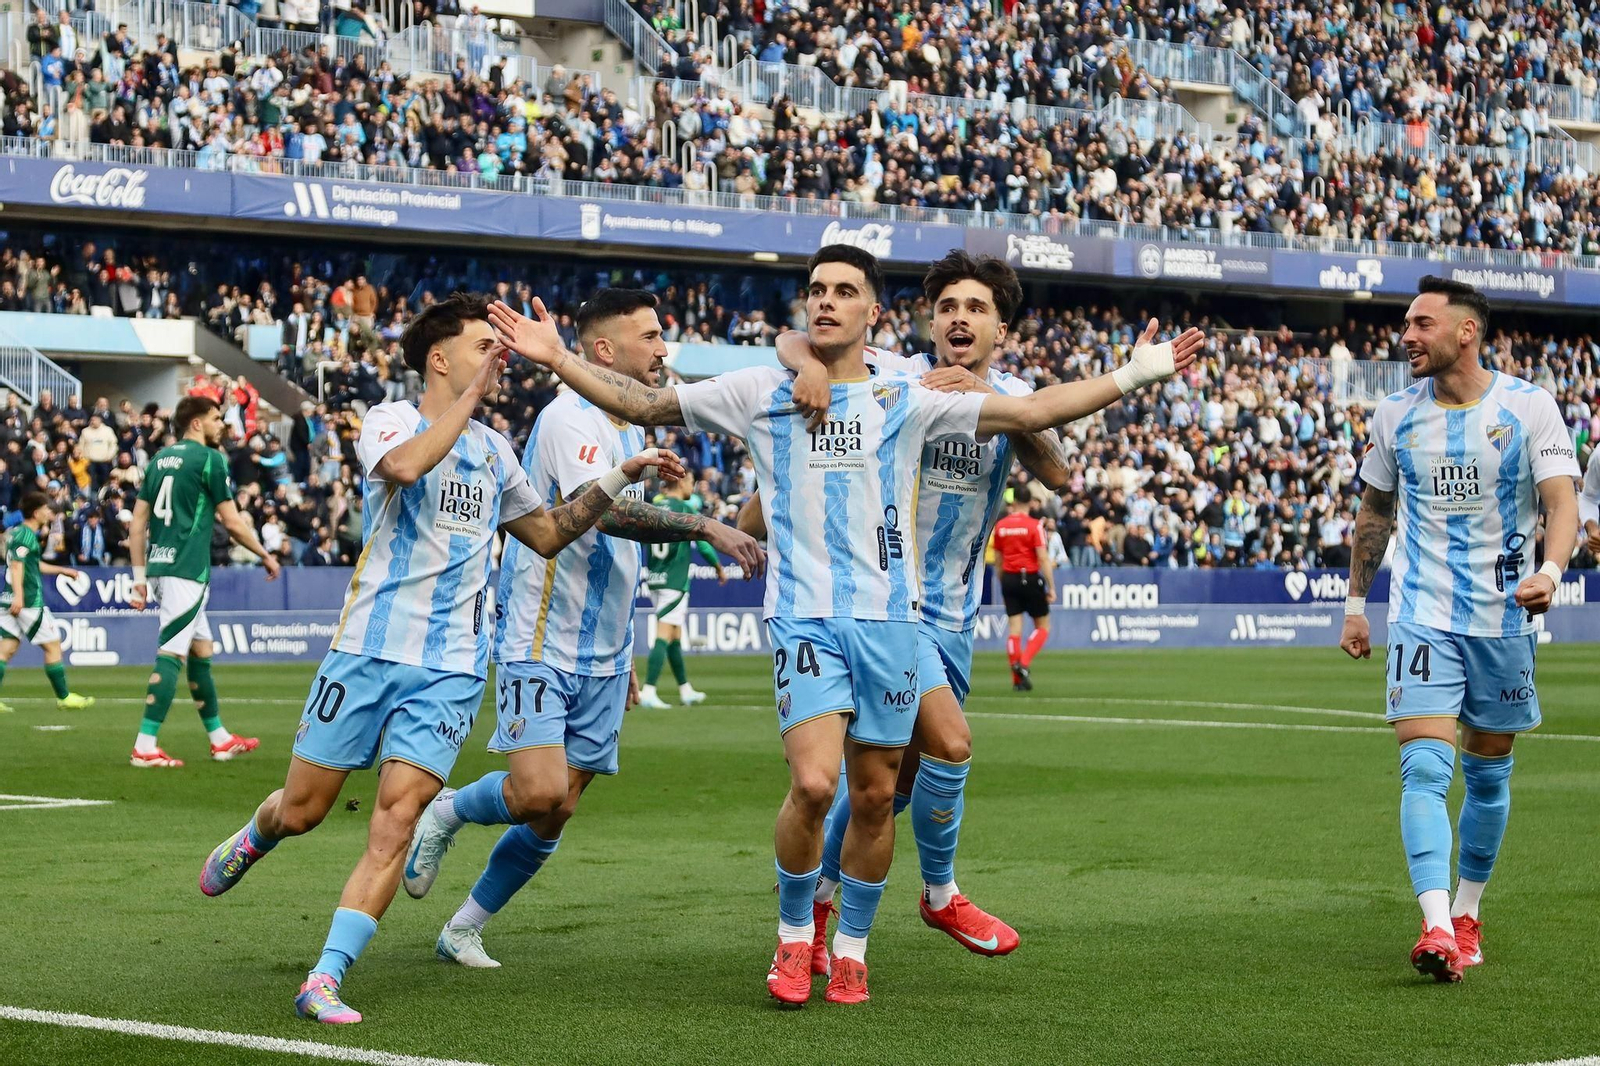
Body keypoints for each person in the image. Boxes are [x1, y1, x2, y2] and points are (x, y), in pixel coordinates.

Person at [485, 246, 1201, 1005]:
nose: (826, 301)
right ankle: (804, 935)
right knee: (817, 781)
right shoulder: (770, 386)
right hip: (807, 618)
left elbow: (1035, 417)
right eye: (817, 290)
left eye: (845, 291)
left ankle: (849, 946)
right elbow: (647, 405)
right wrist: (560, 357)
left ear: (873, 313)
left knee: (878, 792)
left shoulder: (906, 395)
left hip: (901, 619)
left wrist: (1139, 373)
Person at [194, 292, 680, 1026]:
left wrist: (619, 475)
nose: (500, 354)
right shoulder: (393, 419)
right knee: (304, 811)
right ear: (439, 358)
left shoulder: (495, 450)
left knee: (396, 819)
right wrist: (475, 399)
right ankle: (258, 834)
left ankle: (324, 977)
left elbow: (547, 533)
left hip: (453, 666)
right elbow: (406, 467)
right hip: (367, 651)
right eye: (486, 344)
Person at [400, 289, 764, 968]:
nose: (663, 349)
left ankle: (463, 928)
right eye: (651, 337)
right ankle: (447, 811)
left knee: (558, 808)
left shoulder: (630, 427)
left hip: (603, 646)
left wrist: (623, 648)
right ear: (604, 350)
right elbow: (606, 516)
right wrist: (704, 525)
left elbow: (616, 550)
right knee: (536, 790)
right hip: (541, 635)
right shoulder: (570, 416)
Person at [758, 250, 1071, 967]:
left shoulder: (1012, 394)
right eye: (948, 307)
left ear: (1001, 328)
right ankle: (940, 893)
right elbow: (796, 337)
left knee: (891, 786)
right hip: (891, 604)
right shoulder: (894, 377)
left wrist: (990, 401)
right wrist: (806, 363)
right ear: (930, 320)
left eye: (977, 308)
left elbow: (1055, 474)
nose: (959, 318)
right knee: (952, 745)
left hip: (956, 615)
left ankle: (823, 896)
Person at [1339, 276, 1579, 983]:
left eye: (1420, 323)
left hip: (1505, 617)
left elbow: (1560, 502)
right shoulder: (1394, 414)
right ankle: (1438, 924)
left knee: (1489, 771)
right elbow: (1375, 513)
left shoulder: (1528, 406)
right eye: (1405, 323)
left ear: (1465, 331)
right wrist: (1356, 603)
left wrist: (1553, 571)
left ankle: (1468, 911)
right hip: (1422, 614)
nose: (1405, 335)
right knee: (1422, 767)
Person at [126, 396, 280, 768]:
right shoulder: (210, 459)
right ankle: (144, 745)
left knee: (201, 650)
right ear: (196, 423)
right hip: (186, 568)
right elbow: (232, 522)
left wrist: (139, 578)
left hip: (162, 565)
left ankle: (220, 739)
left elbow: (136, 524)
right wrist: (264, 553)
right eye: (215, 419)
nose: (221, 425)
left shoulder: (159, 460)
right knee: (172, 652)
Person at [638, 469, 727, 709]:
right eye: (690, 481)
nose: (692, 487)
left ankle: (685, 689)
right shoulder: (685, 509)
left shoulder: (655, 506)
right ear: (680, 482)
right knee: (665, 634)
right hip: (674, 580)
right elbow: (703, 544)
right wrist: (718, 567)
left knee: (675, 636)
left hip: (656, 576)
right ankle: (648, 690)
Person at [0, 492, 95, 714]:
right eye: (46, 508)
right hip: (28, 601)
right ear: (36, 512)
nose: (49, 512)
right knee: (52, 645)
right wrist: (20, 596)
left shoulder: (19, 534)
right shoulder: (26, 535)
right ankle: (64, 697)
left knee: (7, 648)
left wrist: (63, 570)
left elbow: (33, 565)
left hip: (8, 600)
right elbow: (16, 567)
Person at [990, 488, 1055, 690]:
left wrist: (1003, 581)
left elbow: (998, 561)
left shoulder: (1000, 526)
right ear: (1031, 502)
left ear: (1015, 501)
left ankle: (1017, 681)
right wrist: (1051, 586)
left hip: (1009, 578)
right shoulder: (1034, 526)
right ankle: (1024, 664)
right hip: (1030, 576)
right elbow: (1042, 557)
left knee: (1014, 629)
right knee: (1043, 626)